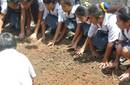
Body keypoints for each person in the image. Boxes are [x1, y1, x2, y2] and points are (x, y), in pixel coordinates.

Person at [107, 6, 130, 81]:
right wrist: (116, 61)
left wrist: (128, 71)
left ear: (128, 22)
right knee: (119, 46)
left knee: (125, 50)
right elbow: (120, 42)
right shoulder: (124, 29)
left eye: (118, 21)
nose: (116, 23)